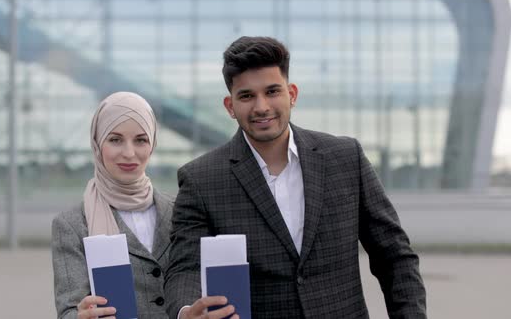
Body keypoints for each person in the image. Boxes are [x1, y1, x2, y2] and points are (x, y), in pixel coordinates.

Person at [164, 36, 426, 318]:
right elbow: (185, 268)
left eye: (272, 91)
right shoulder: (200, 179)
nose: (261, 106)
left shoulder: (346, 158)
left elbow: (394, 256)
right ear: (230, 105)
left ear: (292, 94)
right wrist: (186, 311)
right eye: (247, 96)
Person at [52, 92, 174, 319]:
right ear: (97, 144)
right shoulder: (72, 225)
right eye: (115, 139)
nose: (129, 153)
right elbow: (69, 310)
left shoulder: (179, 211)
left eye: (141, 140)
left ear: (152, 144)